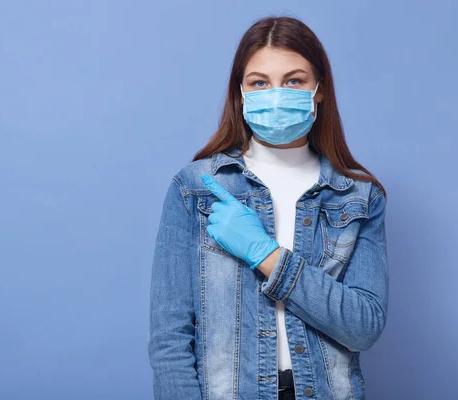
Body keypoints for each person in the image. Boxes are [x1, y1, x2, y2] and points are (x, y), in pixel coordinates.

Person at [147, 16, 389, 400]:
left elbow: (363, 327)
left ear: (319, 90)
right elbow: (170, 340)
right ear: (241, 93)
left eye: (293, 81)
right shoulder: (194, 189)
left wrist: (267, 254)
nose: (276, 94)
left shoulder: (359, 195)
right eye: (260, 82)